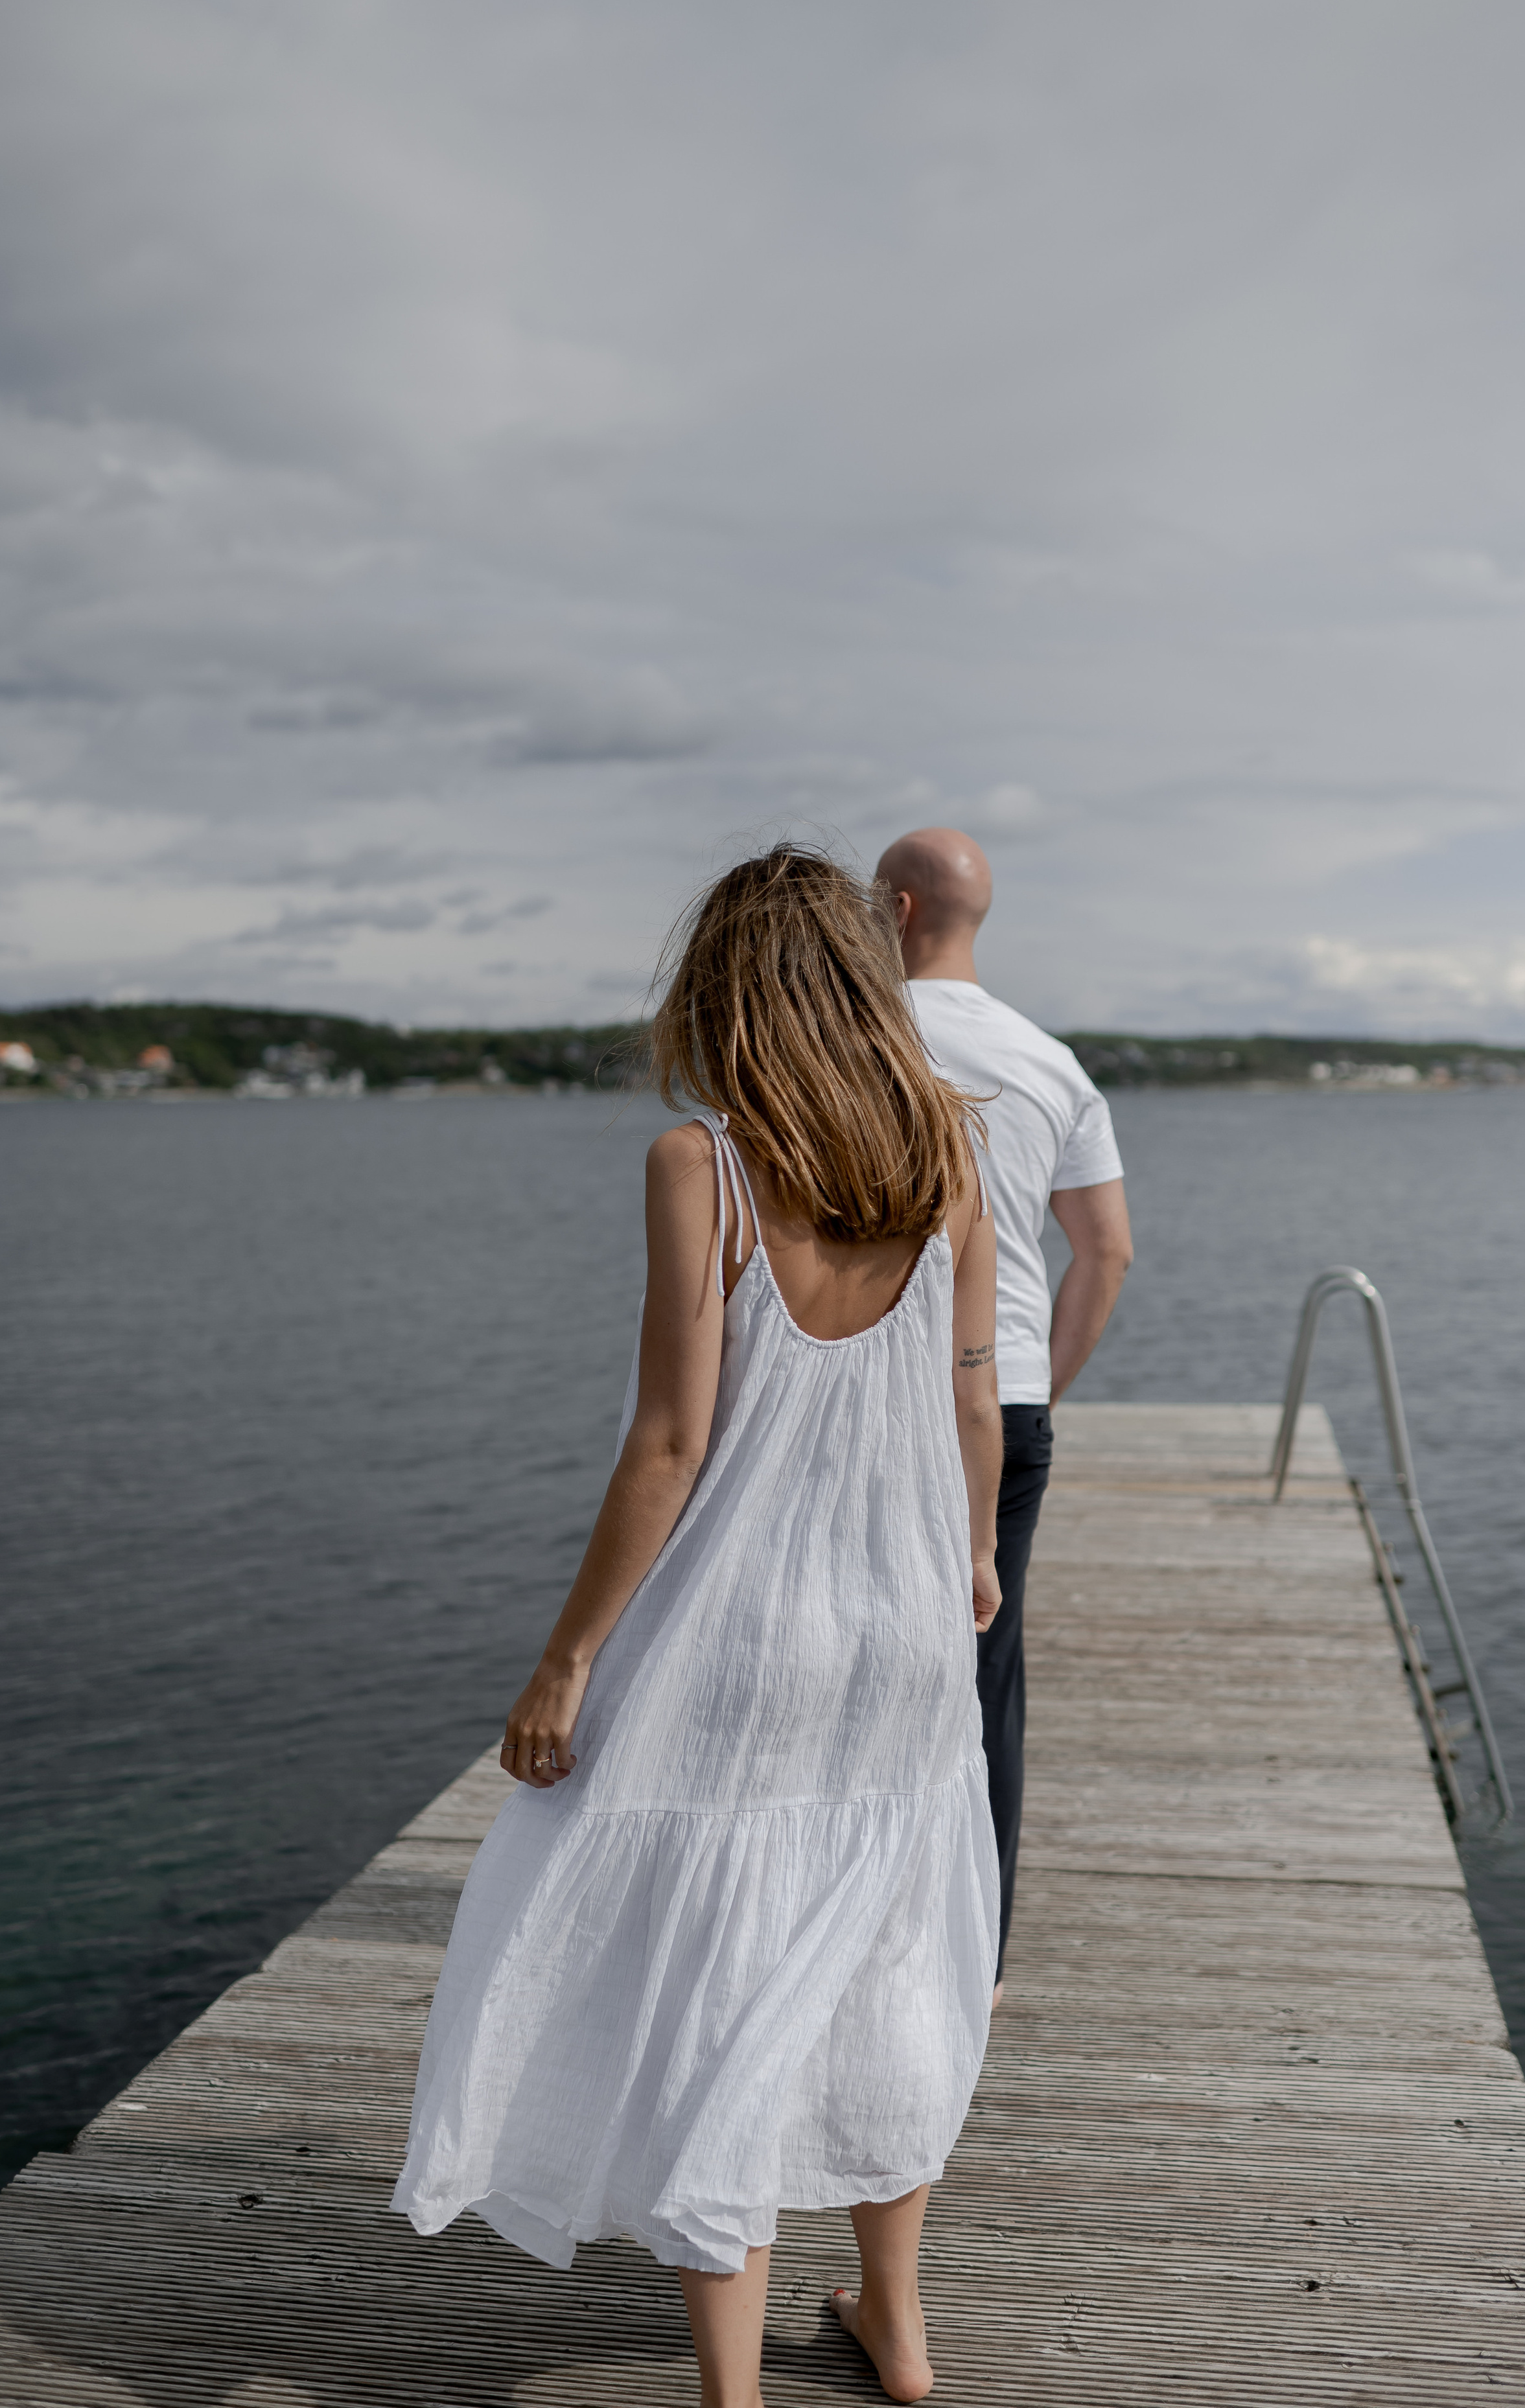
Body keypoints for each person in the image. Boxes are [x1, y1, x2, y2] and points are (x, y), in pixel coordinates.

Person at [393, 846, 1005, 2408]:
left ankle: (731, 2395)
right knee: (884, 1972)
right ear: (867, 988)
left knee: (718, 2002)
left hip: (741, 1639)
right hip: (907, 1629)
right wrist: (976, 1555)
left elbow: (670, 1443)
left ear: (720, 993)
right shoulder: (951, 1148)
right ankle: (897, 2324)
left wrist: (566, 1657)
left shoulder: (704, 1167)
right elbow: (965, 1388)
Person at [876, 828, 1132, 2000]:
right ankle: (972, 1945)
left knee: (848, 1652)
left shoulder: (857, 1040)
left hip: (869, 1396)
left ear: (898, 905)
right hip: (1009, 1397)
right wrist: (1039, 1386)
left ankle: (841, 1914)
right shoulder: (1050, 1060)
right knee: (986, 1675)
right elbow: (1107, 1251)